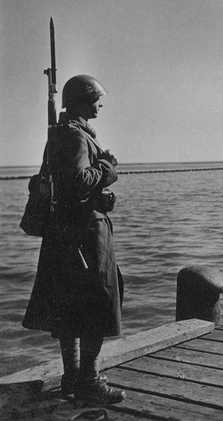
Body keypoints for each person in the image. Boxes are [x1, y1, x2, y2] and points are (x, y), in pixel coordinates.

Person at [22, 74, 125, 404]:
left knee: (70, 308)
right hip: (84, 236)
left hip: (65, 236)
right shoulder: (75, 136)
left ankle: (72, 377)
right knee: (97, 303)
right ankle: (89, 381)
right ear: (82, 101)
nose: (100, 105)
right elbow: (79, 181)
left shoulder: (61, 134)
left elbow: (67, 184)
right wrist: (108, 169)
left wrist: (100, 193)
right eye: (96, 99)